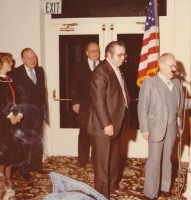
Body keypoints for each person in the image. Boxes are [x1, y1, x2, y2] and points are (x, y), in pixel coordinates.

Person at [138, 53, 191, 200]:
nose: (175, 69)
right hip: (155, 128)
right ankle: (150, 192)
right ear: (161, 66)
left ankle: (164, 187)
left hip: (172, 129)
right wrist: (144, 128)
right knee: (154, 160)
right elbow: (142, 107)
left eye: (175, 66)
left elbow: (182, 104)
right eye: (172, 66)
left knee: (167, 159)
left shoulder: (176, 83)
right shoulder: (149, 83)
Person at [87, 41, 129, 199]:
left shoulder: (116, 69)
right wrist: (107, 124)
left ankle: (112, 186)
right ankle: (102, 194)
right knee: (102, 163)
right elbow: (99, 101)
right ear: (109, 55)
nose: (123, 58)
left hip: (116, 122)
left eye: (124, 55)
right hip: (103, 125)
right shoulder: (100, 71)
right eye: (120, 55)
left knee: (113, 159)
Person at [9, 48, 47, 178]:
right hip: (23, 114)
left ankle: (37, 166)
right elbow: (12, 96)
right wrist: (15, 113)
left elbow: (42, 92)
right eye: (29, 57)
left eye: (34, 57)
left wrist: (44, 110)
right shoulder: (14, 73)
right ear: (23, 59)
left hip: (38, 113)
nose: (33, 60)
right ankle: (24, 170)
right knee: (24, 142)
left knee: (37, 140)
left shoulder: (40, 71)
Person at [0, 52, 23, 187]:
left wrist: (19, 115)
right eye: (9, 61)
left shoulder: (9, 79)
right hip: (1, 123)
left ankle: (8, 180)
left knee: (11, 154)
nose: (12, 63)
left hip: (13, 122)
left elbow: (19, 100)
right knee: (1, 156)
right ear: (0, 63)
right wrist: (10, 117)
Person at [70, 42, 100, 168]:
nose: (95, 53)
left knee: (98, 134)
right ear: (86, 52)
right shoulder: (79, 66)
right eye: (92, 51)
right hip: (84, 106)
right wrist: (75, 102)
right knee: (84, 133)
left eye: (97, 50)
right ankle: (82, 160)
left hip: (99, 107)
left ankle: (96, 160)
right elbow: (74, 86)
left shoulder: (103, 65)